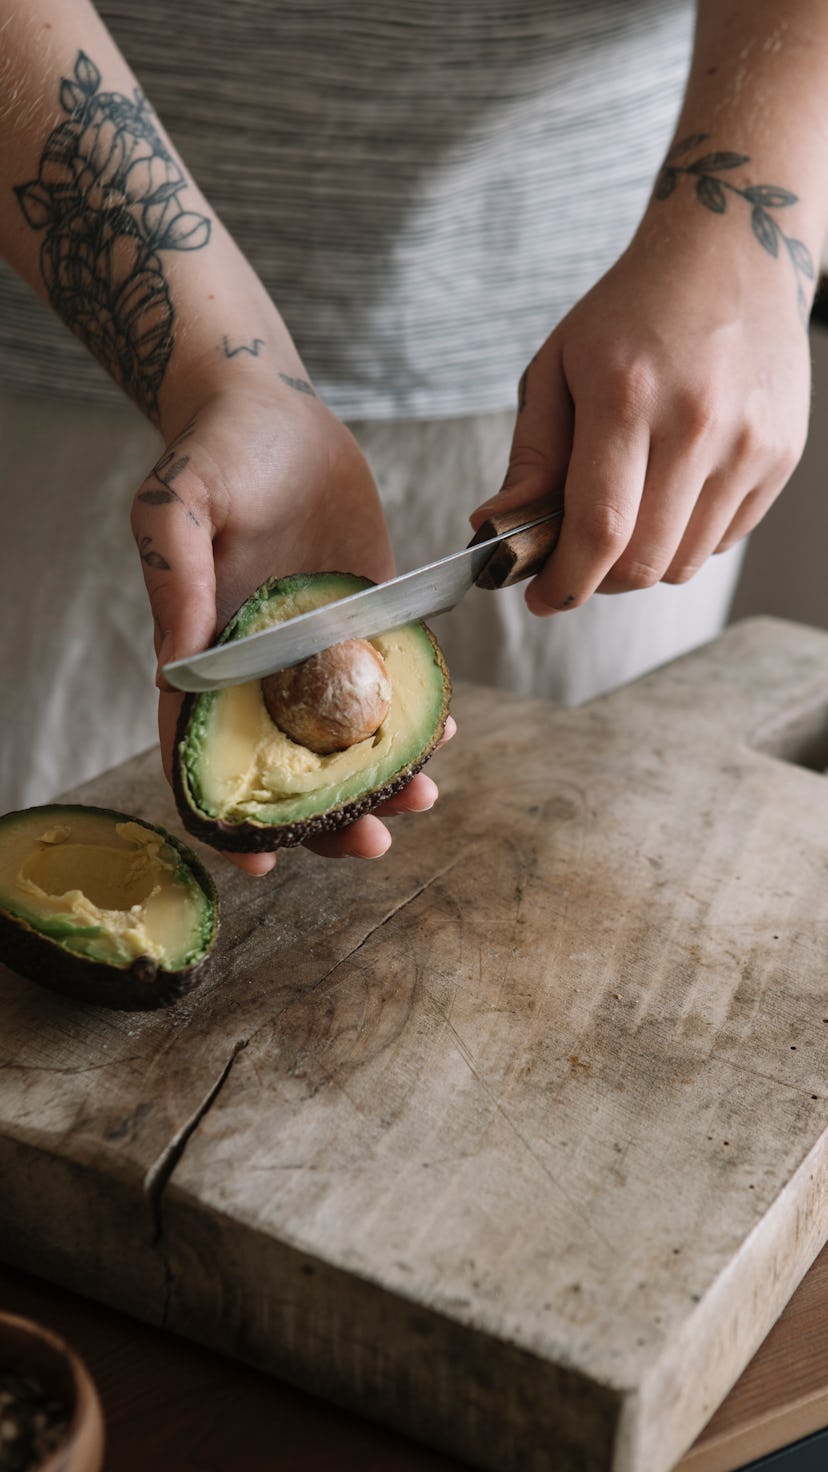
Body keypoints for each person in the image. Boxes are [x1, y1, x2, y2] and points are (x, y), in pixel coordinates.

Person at [0, 0, 825, 877]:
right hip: (81, 362)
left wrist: (744, 239)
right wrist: (224, 374)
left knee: (588, 861)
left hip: (614, 381)